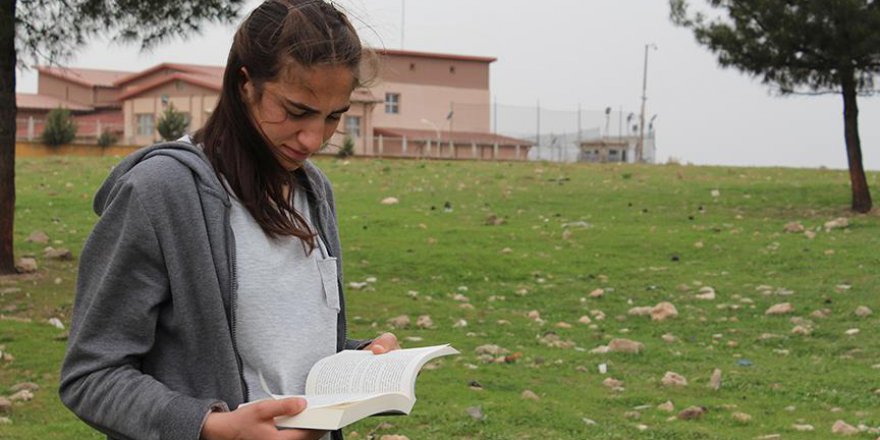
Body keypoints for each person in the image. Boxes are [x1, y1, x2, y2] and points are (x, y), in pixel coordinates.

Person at [59, 1, 398, 439]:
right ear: (244, 84)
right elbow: (91, 375)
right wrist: (212, 427)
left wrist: (358, 362)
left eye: (334, 116)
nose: (314, 138)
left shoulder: (314, 191)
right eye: (296, 111)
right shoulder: (159, 192)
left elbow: (279, 357)